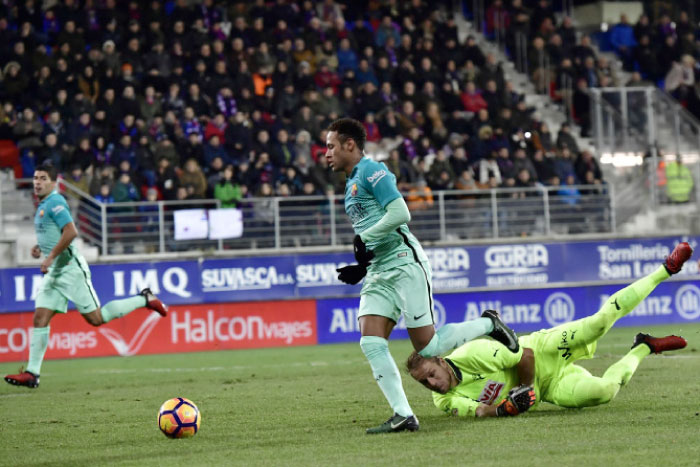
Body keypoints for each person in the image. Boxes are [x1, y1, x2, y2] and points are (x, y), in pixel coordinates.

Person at [325, 118, 519, 433]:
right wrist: (362, 264)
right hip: (378, 270)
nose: (326, 153)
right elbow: (374, 231)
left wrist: (363, 239)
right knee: (371, 341)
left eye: (331, 145)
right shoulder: (350, 185)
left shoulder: (373, 171)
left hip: (404, 263)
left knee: (427, 348)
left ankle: (489, 323)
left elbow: (401, 213)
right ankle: (403, 415)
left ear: (350, 145)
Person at [406, 242, 693, 418]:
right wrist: (505, 409)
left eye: (431, 375)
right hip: (548, 388)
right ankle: (643, 346)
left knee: (598, 323)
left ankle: (666, 269)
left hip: (543, 350)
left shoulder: (474, 353)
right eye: (424, 383)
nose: (431, 384)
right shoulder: (442, 401)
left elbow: (526, 356)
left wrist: (522, 391)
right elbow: (480, 411)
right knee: (603, 392)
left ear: (441, 360)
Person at [4, 163, 169, 389]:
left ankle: (145, 299)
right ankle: (33, 373)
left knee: (96, 319)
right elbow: (54, 234)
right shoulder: (42, 204)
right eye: (35, 178)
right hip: (54, 273)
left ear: (54, 182)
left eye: (42, 178)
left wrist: (51, 256)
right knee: (40, 318)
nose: (37, 182)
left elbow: (71, 231)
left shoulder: (56, 201)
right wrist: (39, 248)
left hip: (71, 269)